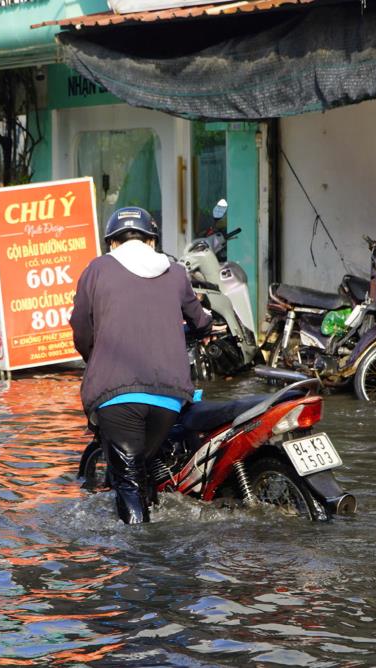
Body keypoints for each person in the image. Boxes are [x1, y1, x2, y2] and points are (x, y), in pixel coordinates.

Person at [70, 207, 212, 524]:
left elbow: (80, 327)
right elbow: (200, 321)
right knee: (142, 467)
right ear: (151, 242)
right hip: (169, 397)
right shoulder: (176, 272)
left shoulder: (97, 269)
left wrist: (93, 357)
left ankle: (139, 559)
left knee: (128, 485)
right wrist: (205, 327)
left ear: (112, 244)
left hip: (117, 399)